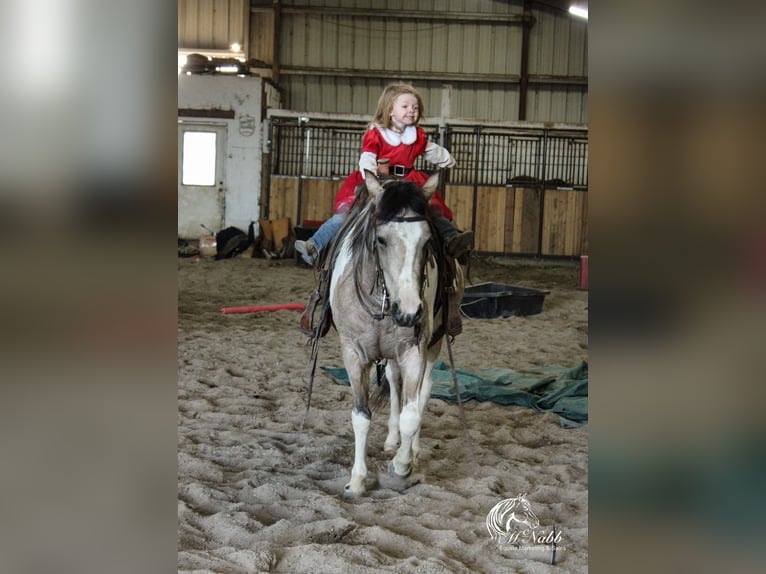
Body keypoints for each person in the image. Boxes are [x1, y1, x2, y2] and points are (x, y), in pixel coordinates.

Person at [295, 83, 474, 266]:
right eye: (405, 106)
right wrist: (371, 176)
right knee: (348, 213)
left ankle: (453, 240)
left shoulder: (417, 136)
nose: (411, 110)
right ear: (390, 110)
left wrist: (448, 159)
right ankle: (315, 245)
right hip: (380, 180)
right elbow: (368, 157)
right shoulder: (376, 134)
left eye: (415, 107)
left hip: (408, 181)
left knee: (432, 211)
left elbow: (430, 151)